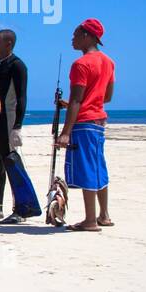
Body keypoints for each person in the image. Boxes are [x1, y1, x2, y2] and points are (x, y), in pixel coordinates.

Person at [55, 18, 115, 232]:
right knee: (98, 165)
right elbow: (106, 96)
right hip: (99, 120)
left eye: (76, 34)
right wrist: (72, 102)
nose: (72, 39)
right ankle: (104, 215)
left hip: (85, 122)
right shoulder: (108, 62)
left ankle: (90, 220)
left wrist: (65, 132)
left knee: (87, 168)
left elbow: (78, 101)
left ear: (86, 36)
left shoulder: (81, 64)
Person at [0, 28, 40, 223]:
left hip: (9, 119)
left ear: (8, 43)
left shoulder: (17, 66)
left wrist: (18, 126)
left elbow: (22, 97)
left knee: (11, 163)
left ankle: (22, 208)